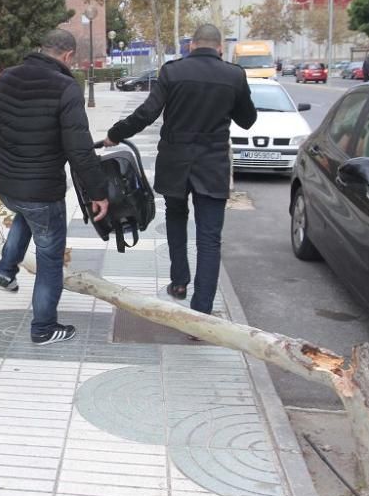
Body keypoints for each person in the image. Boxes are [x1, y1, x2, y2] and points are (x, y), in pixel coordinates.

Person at [104, 24, 257, 315]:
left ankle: (178, 282)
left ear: (191, 46)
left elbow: (147, 113)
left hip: (175, 161)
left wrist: (116, 133)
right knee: (209, 238)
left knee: (176, 217)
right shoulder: (234, 75)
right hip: (213, 165)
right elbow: (247, 120)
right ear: (219, 47)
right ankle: (202, 310)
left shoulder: (172, 72)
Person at [0, 29, 109, 345]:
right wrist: (98, 193)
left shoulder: (7, 78)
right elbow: (79, 149)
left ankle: (5, 270)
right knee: (50, 257)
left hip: (8, 184)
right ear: (67, 56)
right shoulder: (66, 87)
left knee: (26, 215)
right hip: (42, 190)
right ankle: (43, 327)